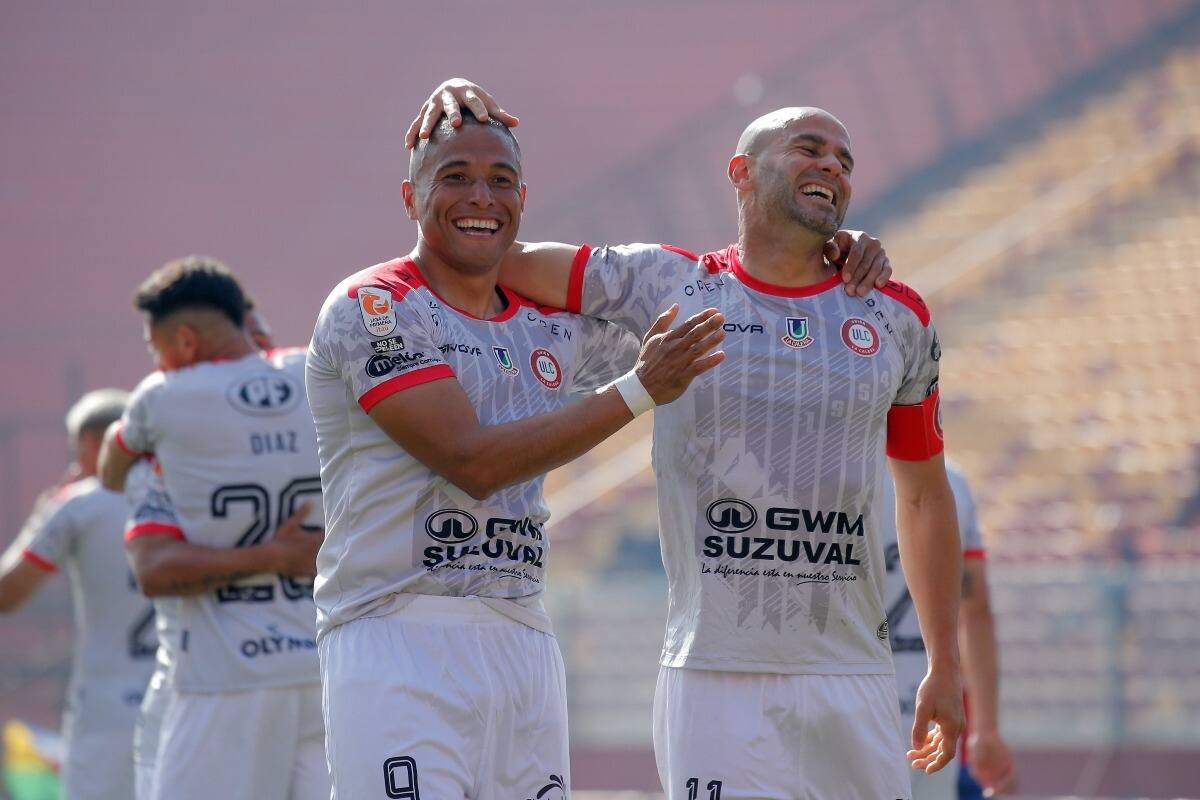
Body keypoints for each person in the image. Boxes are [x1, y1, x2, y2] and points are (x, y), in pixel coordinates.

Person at [407, 80, 964, 799]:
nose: (832, 165)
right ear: (741, 172)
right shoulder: (666, 281)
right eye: (808, 149)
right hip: (714, 679)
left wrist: (944, 667)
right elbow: (480, 251)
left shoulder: (897, 316)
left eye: (844, 160)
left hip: (852, 677)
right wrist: (446, 131)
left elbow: (923, 498)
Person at [306, 112, 740, 799]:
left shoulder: (548, 325)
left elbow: (712, 318)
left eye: (500, 180)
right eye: (455, 178)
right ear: (410, 197)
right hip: (395, 632)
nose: (481, 197)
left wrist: (830, 257)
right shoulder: (375, 306)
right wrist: (638, 391)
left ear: (523, 202)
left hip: (520, 633)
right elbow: (470, 462)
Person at [97, 256, 328, 800]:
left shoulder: (162, 403)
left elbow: (113, 473)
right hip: (328, 671)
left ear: (184, 341)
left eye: (157, 351)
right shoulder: (320, 375)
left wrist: (270, 555)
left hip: (225, 679)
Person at [0, 389, 155, 800]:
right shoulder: (185, 494)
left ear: (90, 442)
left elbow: (7, 594)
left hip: (106, 710)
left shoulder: (76, 505)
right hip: (182, 696)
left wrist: (42, 514)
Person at [880, 462, 1015, 799]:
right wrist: (985, 728)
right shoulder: (951, 482)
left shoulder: (830, 477)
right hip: (930, 723)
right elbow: (976, 611)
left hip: (851, 703)